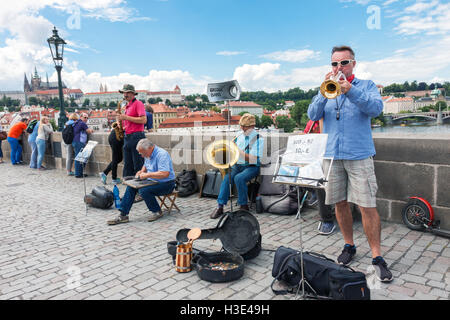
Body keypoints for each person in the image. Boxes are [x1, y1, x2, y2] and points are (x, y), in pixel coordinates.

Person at [307, 45, 392, 282]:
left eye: (343, 63)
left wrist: (350, 90)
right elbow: (312, 115)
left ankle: (377, 256)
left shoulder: (366, 86)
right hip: (332, 155)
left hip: (359, 154)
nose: (339, 68)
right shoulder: (326, 88)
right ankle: (349, 245)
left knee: (367, 206)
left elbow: (376, 109)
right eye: (335, 63)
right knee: (340, 204)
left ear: (353, 63)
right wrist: (322, 93)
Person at [107, 139, 176, 225]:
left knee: (144, 191)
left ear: (150, 148)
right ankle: (123, 215)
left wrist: (147, 175)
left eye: (143, 153)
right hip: (153, 181)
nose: (142, 155)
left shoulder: (162, 154)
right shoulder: (148, 153)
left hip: (167, 184)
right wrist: (141, 171)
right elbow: (146, 164)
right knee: (131, 186)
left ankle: (157, 211)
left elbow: (165, 174)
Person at [210, 113, 264, 219]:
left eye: (245, 126)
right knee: (227, 178)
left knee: (239, 178)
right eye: (241, 126)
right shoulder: (239, 135)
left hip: (251, 166)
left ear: (252, 126)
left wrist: (238, 152)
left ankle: (243, 206)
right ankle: (220, 206)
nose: (242, 128)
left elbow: (253, 159)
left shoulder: (259, 139)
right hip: (237, 165)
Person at [302, 119, 336, 235]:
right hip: (318, 157)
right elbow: (306, 135)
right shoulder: (313, 121)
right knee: (304, 174)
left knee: (321, 182)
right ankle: (326, 218)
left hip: (335, 156)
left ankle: (328, 219)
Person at [117, 84, 147, 178]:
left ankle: (140, 187)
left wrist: (126, 117)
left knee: (138, 163)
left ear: (133, 93)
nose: (125, 95)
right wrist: (123, 125)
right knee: (127, 164)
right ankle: (129, 186)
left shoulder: (138, 103)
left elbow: (143, 120)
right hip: (128, 136)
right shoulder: (127, 106)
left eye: (127, 92)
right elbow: (130, 121)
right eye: (124, 93)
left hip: (136, 136)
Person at [72, 113, 94, 178]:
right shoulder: (82, 123)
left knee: (78, 157)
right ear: (81, 117)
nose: (86, 119)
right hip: (79, 142)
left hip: (75, 141)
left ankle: (78, 173)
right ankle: (78, 174)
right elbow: (89, 131)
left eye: (87, 118)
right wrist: (92, 130)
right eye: (85, 117)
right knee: (79, 158)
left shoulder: (76, 122)